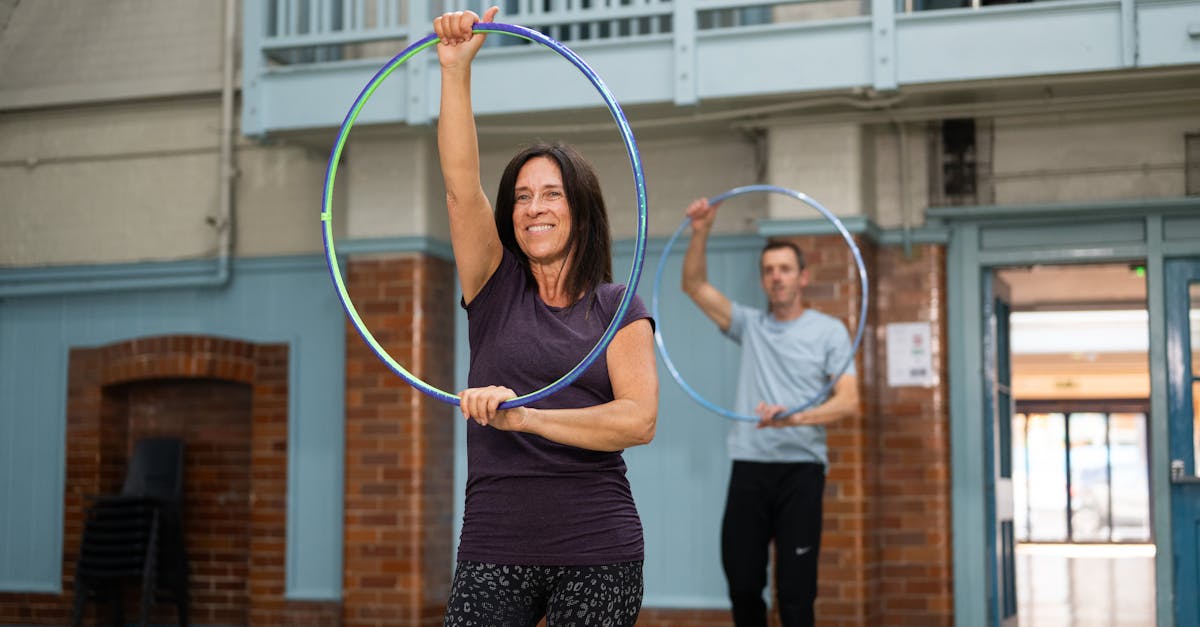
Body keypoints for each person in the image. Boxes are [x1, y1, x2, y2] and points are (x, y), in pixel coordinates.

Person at [433, 8, 658, 627]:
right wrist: (454, 71)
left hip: (598, 548)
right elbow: (459, 185)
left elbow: (638, 420)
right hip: (493, 545)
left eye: (551, 194)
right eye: (522, 197)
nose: (534, 208)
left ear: (579, 211)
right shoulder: (493, 285)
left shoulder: (618, 308)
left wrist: (524, 416)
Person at [680, 197, 861, 627]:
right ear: (763, 281)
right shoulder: (750, 326)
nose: (776, 277)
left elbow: (849, 400)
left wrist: (794, 418)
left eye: (784, 269)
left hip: (801, 470)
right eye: (768, 271)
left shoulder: (828, 332)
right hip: (750, 468)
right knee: (743, 587)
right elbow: (694, 287)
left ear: (803, 277)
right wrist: (702, 231)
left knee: (797, 596)